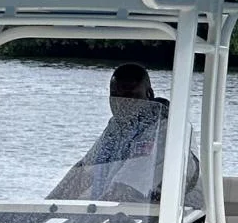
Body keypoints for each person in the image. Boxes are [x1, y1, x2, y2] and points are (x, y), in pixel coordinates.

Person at [48, 63, 200, 203]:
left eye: (129, 96)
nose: (121, 104)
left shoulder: (165, 129)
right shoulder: (117, 126)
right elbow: (84, 171)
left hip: (178, 219)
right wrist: (46, 206)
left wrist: (88, 219)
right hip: (130, 214)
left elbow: (124, 190)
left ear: (149, 95)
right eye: (115, 96)